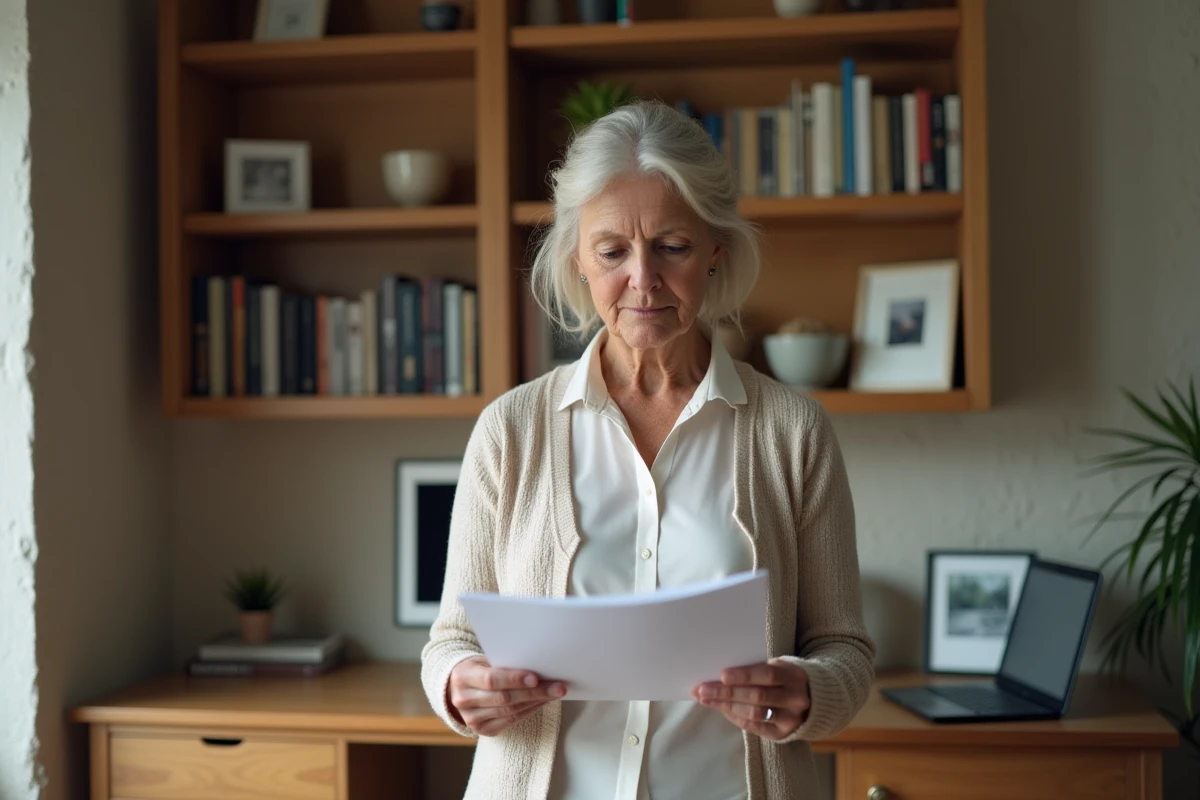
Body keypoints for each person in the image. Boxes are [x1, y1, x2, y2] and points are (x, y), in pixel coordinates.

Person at [421, 100, 875, 800]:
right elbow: (450, 640)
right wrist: (461, 687)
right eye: (612, 252)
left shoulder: (793, 432)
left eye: (673, 246)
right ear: (578, 254)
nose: (644, 279)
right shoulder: (510, 430)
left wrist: (809, 691)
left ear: (716, 249)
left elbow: (846, 650)